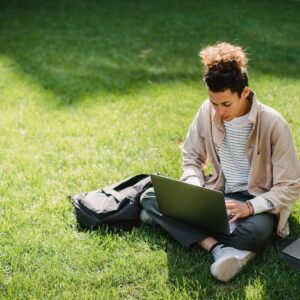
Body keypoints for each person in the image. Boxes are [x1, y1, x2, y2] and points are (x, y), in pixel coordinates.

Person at [139, 42, 300, 282]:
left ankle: (173, 223)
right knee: (150, 196)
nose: (218, 112)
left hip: (256, 202)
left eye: (226, 104)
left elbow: (291, 185)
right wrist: (193, 185)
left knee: (255, 233)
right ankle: (219, 248)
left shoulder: (273, 124)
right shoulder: (207, 110)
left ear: (245, 93)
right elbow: (192, 157)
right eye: (214, 103)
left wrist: (250, 207)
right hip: (218, 195)